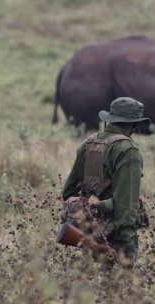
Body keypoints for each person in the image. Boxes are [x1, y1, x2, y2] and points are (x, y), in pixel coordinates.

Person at [60, 97, 150, 267]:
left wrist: (90, 215)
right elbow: (127, 203)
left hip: (89, 231)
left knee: (93, 286)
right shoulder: (128, 150)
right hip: (114, 234)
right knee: (119, 288)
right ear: (133, 124)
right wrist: (127, 245)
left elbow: (69, 192)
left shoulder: (88, 143)